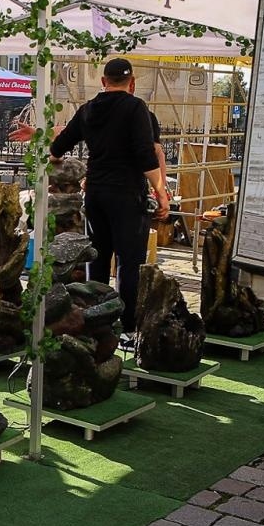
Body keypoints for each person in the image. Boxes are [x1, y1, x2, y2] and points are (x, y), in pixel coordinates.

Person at [47, 57, 169, 334]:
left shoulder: (89, 108)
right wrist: (161, 193)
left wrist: (54, 158)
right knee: (129, 261)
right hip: (126, 193)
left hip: (96, 193)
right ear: (132, 83)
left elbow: (60, 144)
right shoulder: (135, 107)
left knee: (98, 257)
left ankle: (95, 319)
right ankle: (127, 326)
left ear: (103, 81)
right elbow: (146, 155)